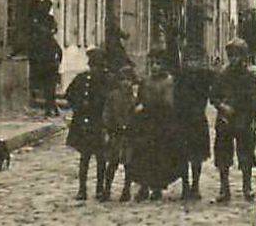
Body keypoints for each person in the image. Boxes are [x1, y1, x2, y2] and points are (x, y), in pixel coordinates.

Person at [209, 38, 256, 203]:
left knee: (246, 153)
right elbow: (214, 96)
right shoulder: (222, 75)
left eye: (238, 55)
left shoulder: (250, 77)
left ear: (244, 57)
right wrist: (222, 106)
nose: (234, 59)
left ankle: (247, 186)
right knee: (223, 153)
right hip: (225, 120)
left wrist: (252, 118)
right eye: (231, 55)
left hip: (244, 120)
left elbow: (255, 99)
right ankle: (224, 188)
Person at [130, 53, 181, 200]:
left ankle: (157, 187)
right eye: (152, 63)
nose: (154, 67)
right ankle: (143, 186)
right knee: (144, 154)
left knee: (160, 155)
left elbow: (169, 102)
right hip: (146, 122)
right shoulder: (145, 82)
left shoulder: (169, 81)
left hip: (162, 122)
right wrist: (138, 106)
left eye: (158, 63)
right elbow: (139, 99)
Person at [63, 48, 109, 200]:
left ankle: (100, 189)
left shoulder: (106, 80)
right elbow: (69, 94)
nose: (94, 68)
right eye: (93, 65)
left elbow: (111, 100)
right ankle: (82, 189)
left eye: (97, 65)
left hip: (99, 122)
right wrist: (78, 108)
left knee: (101, 158)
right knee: (85, 157)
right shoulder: (82, 78)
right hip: (84, 122)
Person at [172, 49, 214, 201]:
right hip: (182, 119)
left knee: (197, 155)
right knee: (183, 154)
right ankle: (185, 185)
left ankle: (195, 185)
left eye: (196, 60)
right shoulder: (180, 77)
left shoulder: (205, 76)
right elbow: (174, 96)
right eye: (190, 60)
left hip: (197, 119)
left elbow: (216, 89)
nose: (193, 63)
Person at [102, 63, 138, 201]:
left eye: (129, 80)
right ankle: (107, 189)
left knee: (129, 164)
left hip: (128, 136)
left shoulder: (133, 99)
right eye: (123, 80)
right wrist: (108, 127)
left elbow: (137, 116)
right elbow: (107, 113)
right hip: (115, 134)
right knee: (112, 163)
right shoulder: (113, 96)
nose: (126, 83)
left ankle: (126, 190)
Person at [31, 2, 62, 116]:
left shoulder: (50, 20)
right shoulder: (37, 18)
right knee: (47, 87)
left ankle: (51, 108)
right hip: (42, 62)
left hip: (49, 64)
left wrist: (57, 63)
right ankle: (52, 108)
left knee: (49, 87)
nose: (47, 9)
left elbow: (55, 29)